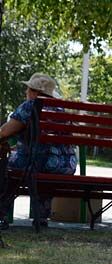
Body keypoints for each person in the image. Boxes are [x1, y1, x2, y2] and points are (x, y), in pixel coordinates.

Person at [0, 73, 76, 229]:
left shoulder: (31, 106)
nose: (25, 92)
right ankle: (41, 215)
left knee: (5, 163)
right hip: (65, 165)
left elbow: (3, 133)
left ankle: (1, 211)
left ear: (35, 92)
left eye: (27, 89)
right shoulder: (61, 110)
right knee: (36, 166)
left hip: (37, 162)